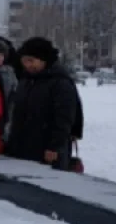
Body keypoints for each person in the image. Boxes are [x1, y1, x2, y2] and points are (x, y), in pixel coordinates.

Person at [5, 37, 82, 170]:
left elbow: (64, 119)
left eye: (31, 61)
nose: (27, 65)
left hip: (48, 152)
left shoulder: (60, 82)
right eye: (24, 61)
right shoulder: (26, 80)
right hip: (23, 147)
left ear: (43, 59)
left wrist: (54, 147)